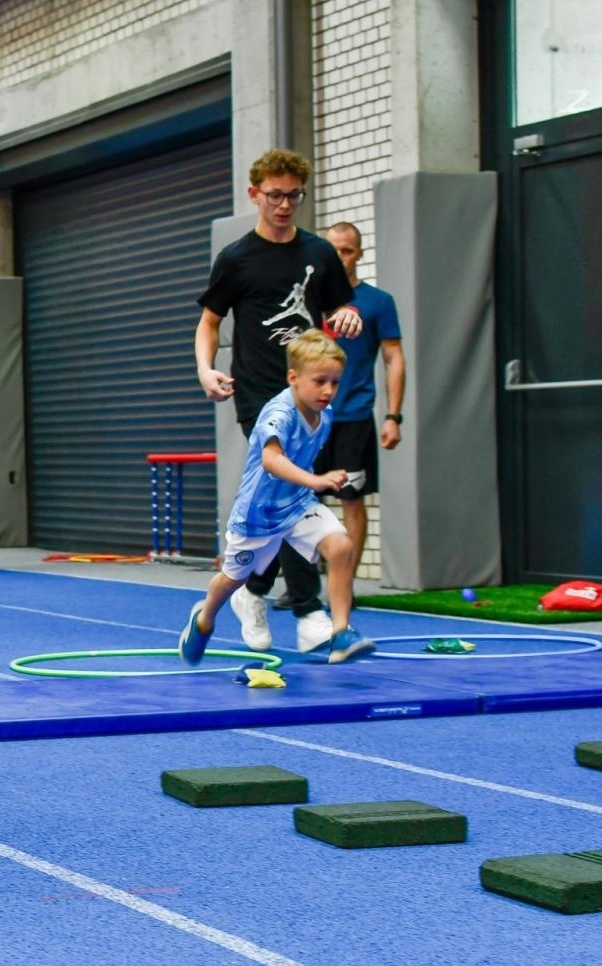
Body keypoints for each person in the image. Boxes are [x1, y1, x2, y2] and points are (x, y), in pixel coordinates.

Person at [195, 147, 362, 654]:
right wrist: (206, 369)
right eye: (275, 196)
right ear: (255, 195)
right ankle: (309, 608)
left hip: (310, 391)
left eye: (294, 196)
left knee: (284, 500)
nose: (285, 205)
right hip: (260, 393)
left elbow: (338, 305)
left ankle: (256, 589)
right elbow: (209, 322)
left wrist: (347, 315)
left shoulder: (318, 252)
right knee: (291, 490)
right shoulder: (237, 259)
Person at [178, 330, 374, 666]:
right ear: (293, 378)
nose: (328, 390)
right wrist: (318, 480)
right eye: (320, 381)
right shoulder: (279, 413)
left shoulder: (324, 414)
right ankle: (203, 618)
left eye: (335, 382)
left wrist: (324, 479)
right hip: (259, 514)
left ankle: (341, 632)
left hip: (297, 505)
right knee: (232, 579)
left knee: (340, 546)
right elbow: (272, 460)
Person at [315, 221, 406, 572]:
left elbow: (393, 357)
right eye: (333, 250)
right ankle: (302, 584)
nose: (340, 258)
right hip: (309, 420)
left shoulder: (377, 302)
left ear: (360, 254)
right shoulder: (308, 301)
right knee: (301, 500)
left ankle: (345, 582)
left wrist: (393, 416)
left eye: (347, 250)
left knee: (351, 499)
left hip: (353, 416)